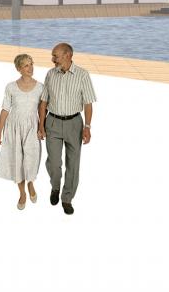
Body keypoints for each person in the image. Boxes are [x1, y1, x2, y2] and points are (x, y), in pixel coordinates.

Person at [38, 43, 97, 215]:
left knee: (73, 164)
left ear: (68, 55)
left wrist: (87, 126)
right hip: (53, 123)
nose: (52, 59)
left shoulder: (83, 75)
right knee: (54, 163)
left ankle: (67, 198)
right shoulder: (50, 74)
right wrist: (41, 125)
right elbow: (43, 102)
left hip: (74, 124)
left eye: (55, 56)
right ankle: (55, 187)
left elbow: (88, 103)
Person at [0, 53, 44, 210]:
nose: (30, 68)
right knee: (17, 160)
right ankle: (22, 192)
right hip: (13, 128)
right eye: (26, 65)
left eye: (31, 63)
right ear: (19, 69)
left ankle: (31, 183)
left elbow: (43, 110)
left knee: (31, 159)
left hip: (32, 128)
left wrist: (42, 127)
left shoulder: (41, 87)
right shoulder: (11, 87)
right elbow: (5, 109)